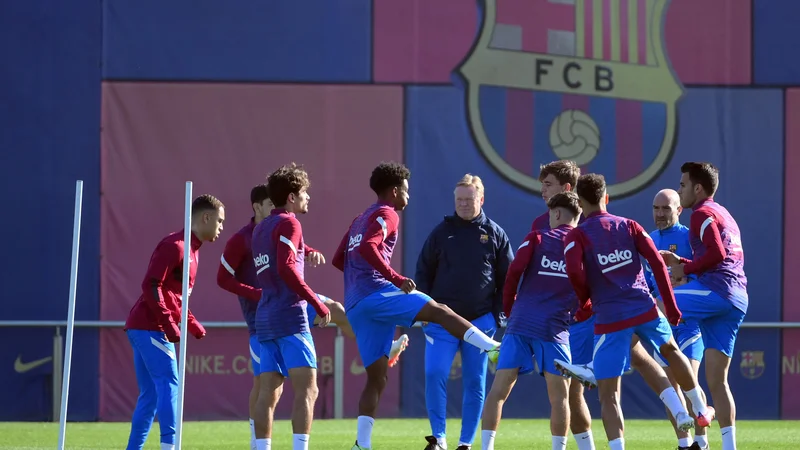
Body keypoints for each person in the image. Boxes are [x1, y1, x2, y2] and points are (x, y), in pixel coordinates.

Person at [217, 184, 409, 450]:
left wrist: (308, 252)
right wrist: (257, 293)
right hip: (273, 310)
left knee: (338, 312)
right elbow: (227, 277)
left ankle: (383, 349)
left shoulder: (270, 228)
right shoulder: (247, 237)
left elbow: (290, 252)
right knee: (277, 388)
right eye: (269, 205)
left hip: (277, 308)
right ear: (257, 207)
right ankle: (261, 443)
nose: (275, 208)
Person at [331, 162, 502, 450]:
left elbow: (340, 259)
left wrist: (360, 282)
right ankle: (491, 347)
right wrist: (395, 279)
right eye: (406, 191)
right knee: (439, 310)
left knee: (377, 378)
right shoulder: (388, 213)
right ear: (395, 191)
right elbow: (367, 248)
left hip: (355, 303)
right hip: (376, 294)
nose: (408, 197)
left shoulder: (359, 219)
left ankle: (362, 444)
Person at [563, 173, 714, 450]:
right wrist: (670, 306)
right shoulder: (630, 225)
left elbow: (573, 271)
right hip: (645, 308)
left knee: (608, 394)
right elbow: (657, 263)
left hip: (610, 319)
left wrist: (585, 303)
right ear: (606, 198)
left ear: (581, 203)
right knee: (669, 350)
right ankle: (699, 409)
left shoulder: (576, 236)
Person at [415, 174, 513, 450]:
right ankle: (439, 439)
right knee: (434, 373)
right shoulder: (440, 233)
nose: (463, 205)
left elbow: (509, 280)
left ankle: (465, 443)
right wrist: (425, 312)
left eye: (469, 200)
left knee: (475, 382)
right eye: (459, 200)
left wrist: (497, 317)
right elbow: (422, 274)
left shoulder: (495, 233)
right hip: (441, 322)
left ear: (481, 199)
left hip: (480, 321)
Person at [123, 194, 226, 450]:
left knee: (150, 396)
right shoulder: (175, 246)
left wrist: (191, 323)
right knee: (169, 384)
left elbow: (175, 296)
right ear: (205, 217)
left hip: (144, 325)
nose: (221, 227)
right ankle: (170, 445)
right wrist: (169, 323)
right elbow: (151, 284)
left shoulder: (193, 251)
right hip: (150, 326)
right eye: (220, 221)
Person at [480, 192, 581, 450]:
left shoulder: (537, 237)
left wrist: (509, 310)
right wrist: (581, 312)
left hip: (521, 323)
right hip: (555, 328)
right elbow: (588, 287)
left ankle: (486, 447)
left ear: (557, 213)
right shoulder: (584, 246)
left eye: (550, 213)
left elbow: (513, 272)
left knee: (499, 391)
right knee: (560, 397)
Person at [660, 162, 748, 450]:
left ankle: (593, 364)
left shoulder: (701, 213)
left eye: (683, 184)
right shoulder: (724, 213)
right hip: (736, 298)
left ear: (698, 188)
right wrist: (684, 263)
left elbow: (718, 254)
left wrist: (685, 269)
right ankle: (728, 446)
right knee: (718, 382)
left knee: (652, 308)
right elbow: (720, 255)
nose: (680, 188)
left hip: (718, 291)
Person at [251, 164, 331, 450]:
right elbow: (285, 266)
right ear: (292, 197)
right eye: (305, 192)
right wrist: (316, 302)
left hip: (266, 318)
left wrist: (305, 252)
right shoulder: (290, 223)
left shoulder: (261, 228)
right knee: (308, 390)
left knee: (268, 394)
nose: (308, 197)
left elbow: (278, 262)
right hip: (290, 318)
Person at [642, 189, 708, 450]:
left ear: (679, 210)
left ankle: (702, 443)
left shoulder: (691, 237)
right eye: (656, 208)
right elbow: (647, 282)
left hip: (689, 323)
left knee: (689, 380)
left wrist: (682, 279)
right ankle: (685, 443)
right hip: (662, 326)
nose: (660, 214)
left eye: (666, 208)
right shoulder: (647, 240)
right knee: (670, 390)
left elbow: (703, 273)